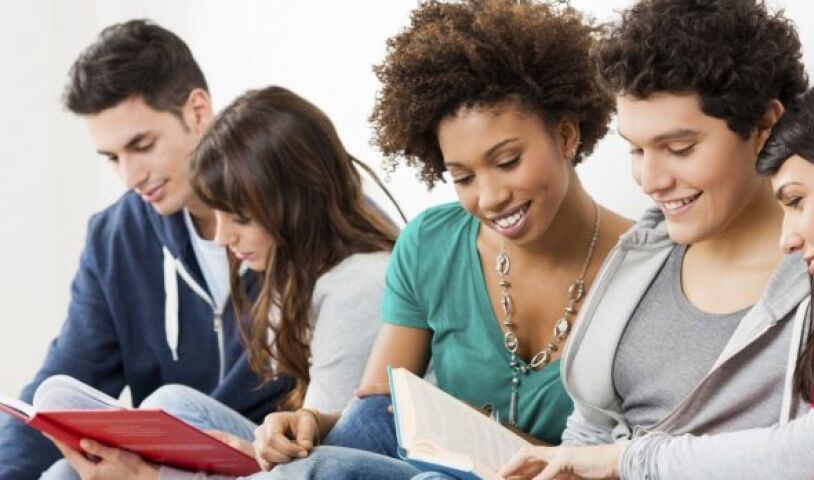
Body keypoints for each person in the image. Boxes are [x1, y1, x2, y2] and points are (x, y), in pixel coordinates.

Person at [503, 65, 814, 479]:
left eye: (798, 202)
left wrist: (626, 460)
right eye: (636, 150)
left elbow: (800, 455)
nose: (789, 240)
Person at [249, 0, 633, 478]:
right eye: (463, 176)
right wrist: (308, 421)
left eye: (508, 161)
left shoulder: (641, 269)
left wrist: (489, 436)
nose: (490, 198)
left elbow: (628, 460)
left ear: (567, 135)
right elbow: (374, 418)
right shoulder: (432, 243)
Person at [496, 0, 812, 477]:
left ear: (764, 125)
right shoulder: (646, 255)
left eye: (679, 149)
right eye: (636, 149)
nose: (650, 179)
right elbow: (591, 432)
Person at [47, 86, 399, 479]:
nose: (221, 239)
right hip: (314, 458)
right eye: (113, 158)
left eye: (240, 219)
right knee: (159, 410)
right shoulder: (290, 276)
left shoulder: (356, 289)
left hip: (341, 464)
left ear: (299, 206)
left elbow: (325, 466)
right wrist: (251, 452)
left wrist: (153, 478)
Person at [0, 20, 290, 480]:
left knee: (171, 404)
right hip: (174, 462)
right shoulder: (115, 238)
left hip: (271, 458)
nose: (130, 176)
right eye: (113, 158)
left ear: (198, 111)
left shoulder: (297, 206)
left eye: (142, 145)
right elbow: (66, 378)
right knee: (60, 475)